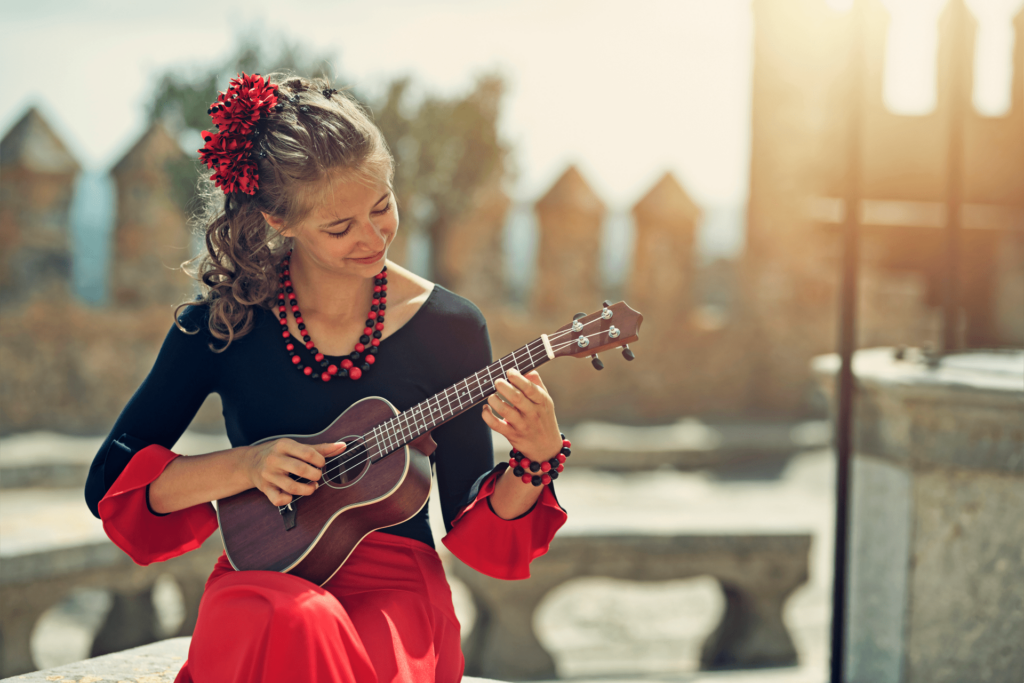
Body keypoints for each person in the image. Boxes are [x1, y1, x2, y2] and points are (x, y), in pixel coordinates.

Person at [84, 72, 569, 683]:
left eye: (382, 206)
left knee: (317, 636)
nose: (372, 239)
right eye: (339, 228)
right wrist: (247, 466)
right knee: (295, 622)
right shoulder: (223, 323)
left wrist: (537, 457)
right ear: (277, 221)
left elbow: (474, 529)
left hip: (394, 592)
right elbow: (110, 483)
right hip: (264, 580)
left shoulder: (449, 326)